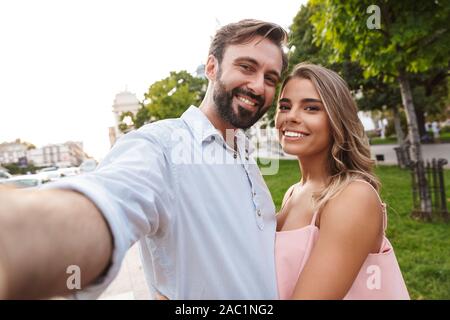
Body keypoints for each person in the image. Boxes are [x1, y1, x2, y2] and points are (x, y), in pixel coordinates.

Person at [0, 19, 288, 300]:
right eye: (246, 67)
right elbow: (109, 202)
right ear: (212, 67)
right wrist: (18, 240)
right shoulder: (159, 146)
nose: (258, 86)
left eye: (270, 78)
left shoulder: (247, 156)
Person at [274, 63, 410, 299]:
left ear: (337, 119)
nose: (291, 116)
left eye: (311, 108)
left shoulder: (352, 196)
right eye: (285, 106)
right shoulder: (293, 193)